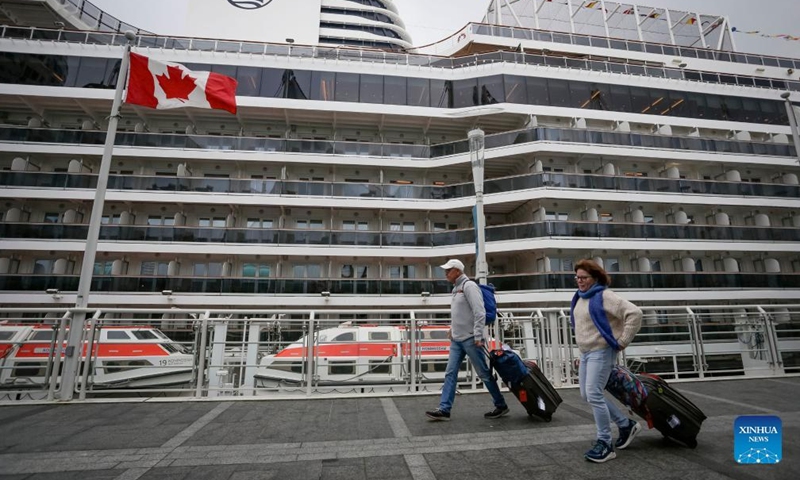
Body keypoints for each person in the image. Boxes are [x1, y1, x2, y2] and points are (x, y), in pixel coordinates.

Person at [570, 258, 643, 463]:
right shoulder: (579, 297)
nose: (579, 281)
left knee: (594, 393)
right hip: (586, 353)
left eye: (583, 277)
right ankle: (626, 425)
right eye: (577, 277)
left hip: (602, 351)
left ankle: (605, 443)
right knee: (587, 394)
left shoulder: (604, 295)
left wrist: (623, 341)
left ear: (595, 278)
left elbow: (635, 313)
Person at [425, 259, 509, 421]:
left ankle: (501, 405)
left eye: (448, 270)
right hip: (457, 340)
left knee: (483, 373)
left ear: (457, 271)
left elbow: (479, 312)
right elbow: (460, 313)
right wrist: (452, 329)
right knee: (450, 373)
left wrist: (478, 336)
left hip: (471, 339)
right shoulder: (456, 289)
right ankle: (444, 409)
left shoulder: (469, 286)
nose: (446, 273)